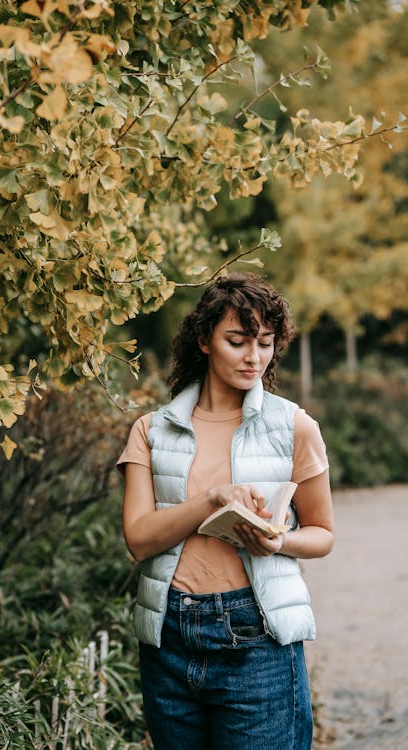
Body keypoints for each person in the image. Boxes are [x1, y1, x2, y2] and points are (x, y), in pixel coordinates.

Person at [118, 273, 334, 750]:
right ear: (204, 340)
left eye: (264, 343)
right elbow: (138, 539)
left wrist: (282, 541)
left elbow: (322, 533)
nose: (253, 357)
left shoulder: (293, 427)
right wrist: (212, 500)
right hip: (168, 637)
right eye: (236, 341)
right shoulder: (152, 431)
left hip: (257, 638)